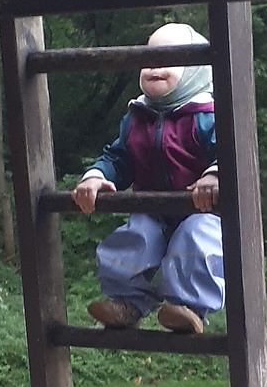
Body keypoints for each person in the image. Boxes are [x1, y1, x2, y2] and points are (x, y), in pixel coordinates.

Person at [72, 23, 223, 335]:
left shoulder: (207, 116)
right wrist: (96, 177)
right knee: (134, 237)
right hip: (153, 211)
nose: (154, 66)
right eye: (149, 58)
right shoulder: (136, 119)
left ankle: (188, 307)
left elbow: (231, 152)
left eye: (168, 59)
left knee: (196, 241)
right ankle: (127, 303)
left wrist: (214, 175)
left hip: (202, 210)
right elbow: (119, 157)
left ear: (195, 70)